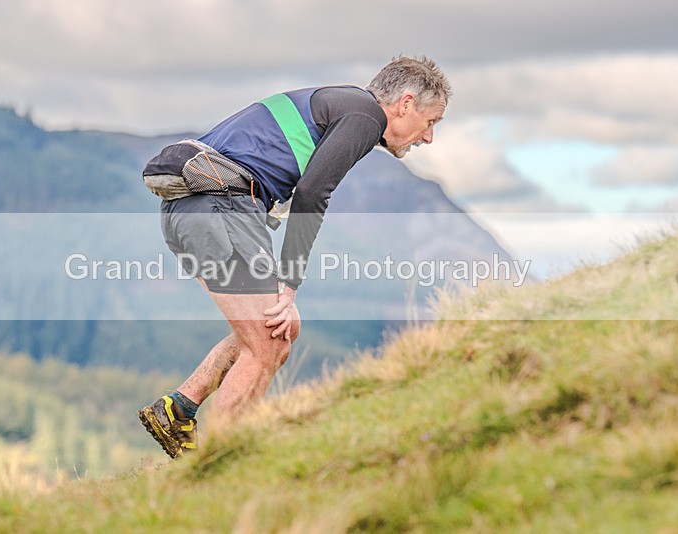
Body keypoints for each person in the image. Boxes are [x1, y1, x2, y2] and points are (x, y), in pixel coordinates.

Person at [139, 55, 451, 458]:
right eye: (431, 122)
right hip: (220, 210)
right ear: (405, 103)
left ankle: (178, 409)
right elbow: (312, 192)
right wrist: (290, 282)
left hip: (192, 212)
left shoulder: (340, 104)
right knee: (268, 341)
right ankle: (222, 463)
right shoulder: (365, 116)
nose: (428, 138)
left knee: (276, 332)